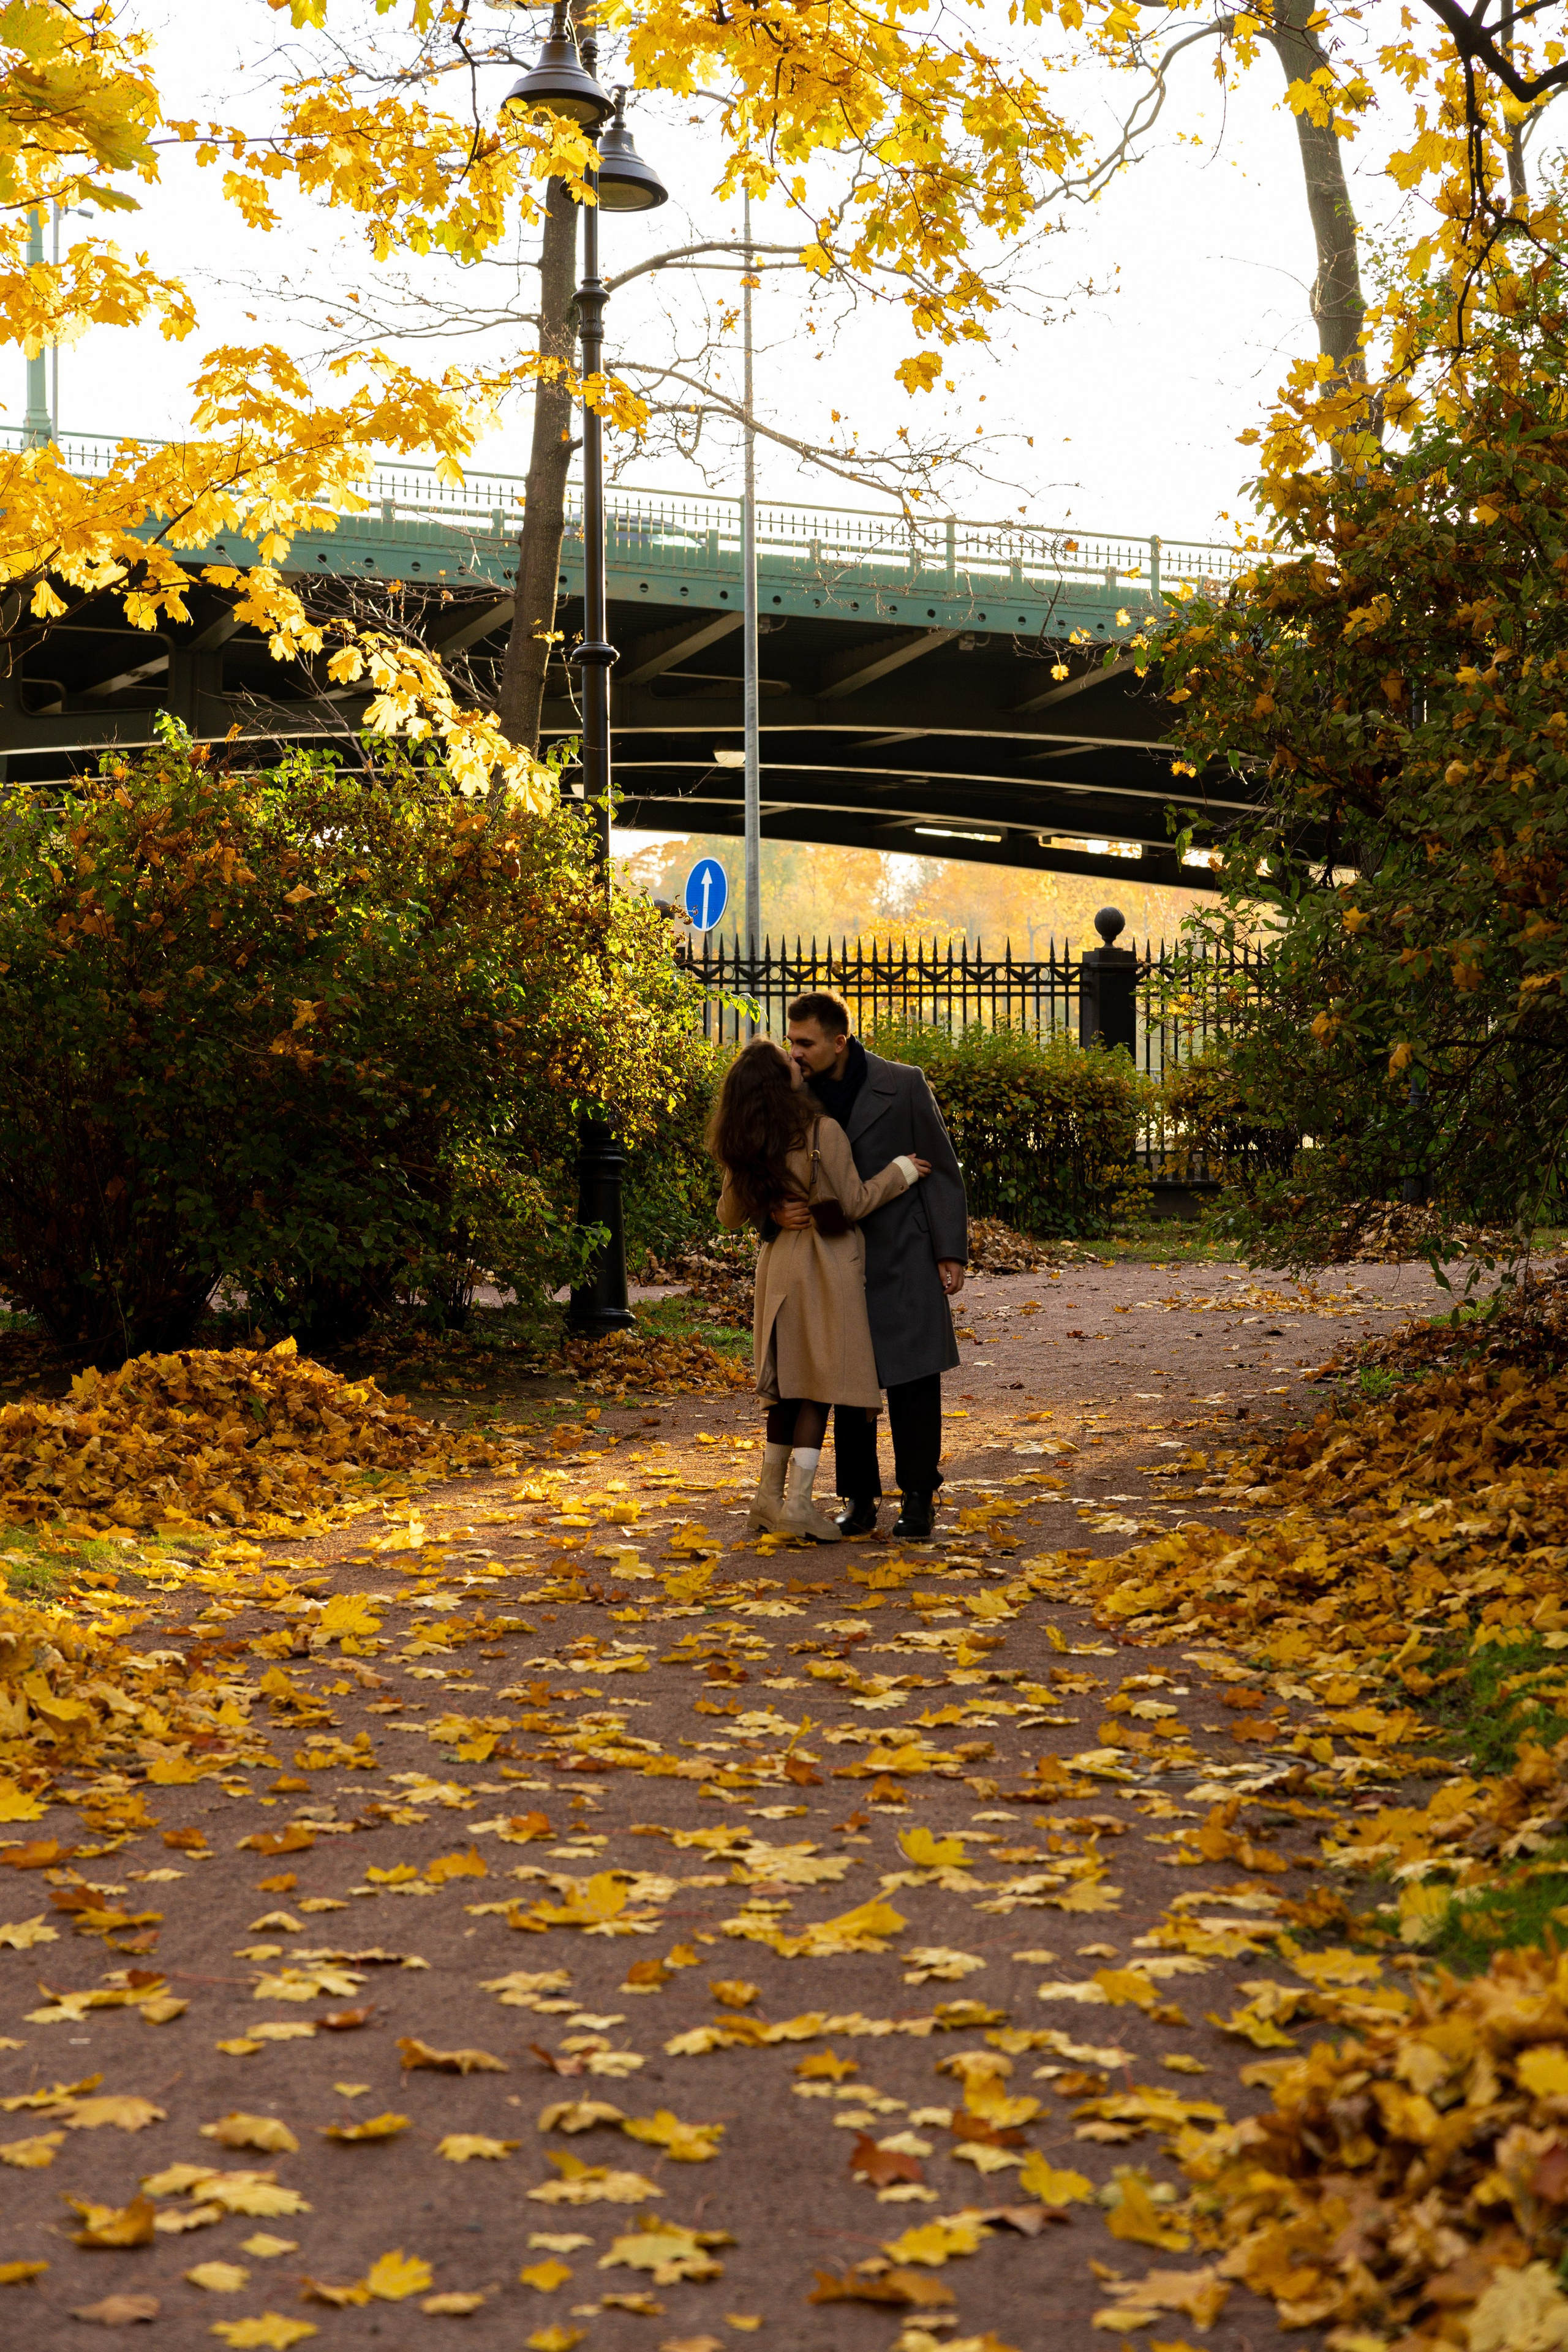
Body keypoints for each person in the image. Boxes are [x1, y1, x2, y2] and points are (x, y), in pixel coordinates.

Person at [710, 1037, 932, 1541]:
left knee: (786, 1386)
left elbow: (728, 1215)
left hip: (777, 1268)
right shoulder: (820, 1130)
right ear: (778, 1082)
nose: (796, 1059)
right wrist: (899, 1173)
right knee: (820, 1384)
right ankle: (798, 1506)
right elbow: (851, 1202)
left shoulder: (746, 1138)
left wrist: (770, 1208)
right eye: (786, 1059)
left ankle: (767, 1500)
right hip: (823, 1267)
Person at [776, 993, 968, 1541]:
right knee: (845, 1380)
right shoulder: (792, 1092)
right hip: (831, 1255)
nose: (795, 1052)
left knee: (914, 1378)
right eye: (791, 1041)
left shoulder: (904, 1084)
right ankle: (859, 1500)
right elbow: (763, 1165)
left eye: (805, 1042)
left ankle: (919, 1498)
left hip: (903, 1251)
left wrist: (949, 1250)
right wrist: (773, 1211)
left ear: (840, 1041)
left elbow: (942, 1169)